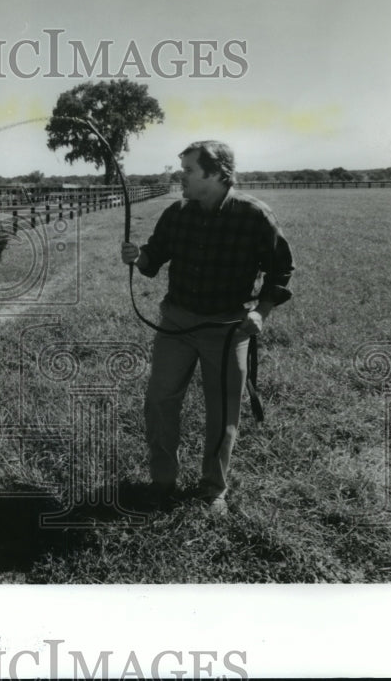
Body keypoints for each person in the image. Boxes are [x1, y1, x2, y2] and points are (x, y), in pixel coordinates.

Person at [120, 140, 294, 515]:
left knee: (223, 409)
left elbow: (281, 270)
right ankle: (162, 482)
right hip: (177, 321)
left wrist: (261, 312)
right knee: (160, 401)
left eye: (187, 170)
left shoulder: (254, 216)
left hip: (229, 326)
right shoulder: (176, 213)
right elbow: (154, 258)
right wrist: (139, 257)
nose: (178, 176)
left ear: (215, 174)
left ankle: (213, 489)